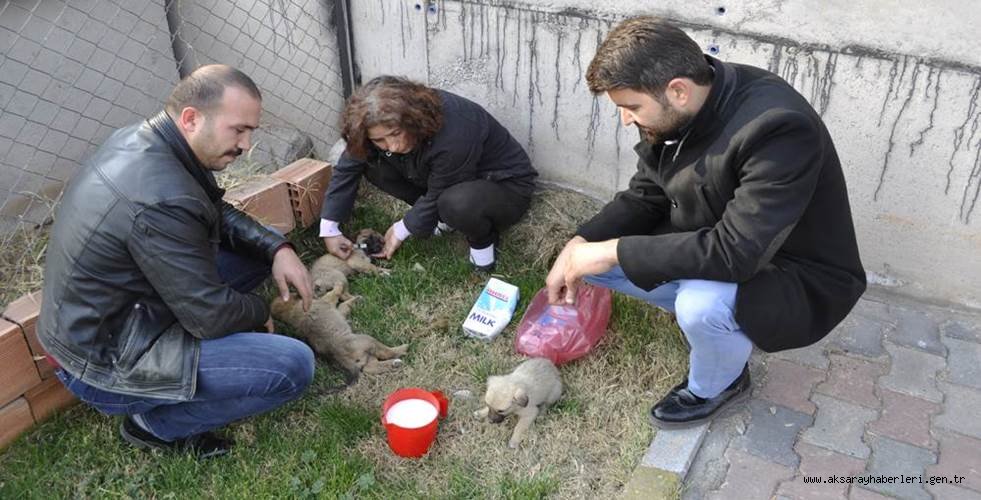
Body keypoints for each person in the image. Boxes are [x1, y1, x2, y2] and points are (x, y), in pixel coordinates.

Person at [545, 17, 866, 428]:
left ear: (677, 90)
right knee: (591, 266)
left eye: (631, 108)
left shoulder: (778, 128)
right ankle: (717, 331)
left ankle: (718, 383)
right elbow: (647, 193)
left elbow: (736, 253)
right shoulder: (679, 107)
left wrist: (610, 250)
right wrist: (580, 243)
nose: (626, 120)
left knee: (699, 306)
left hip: (792, 270)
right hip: (717, 240)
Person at [37, 65, 316, 458]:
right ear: (191, 118)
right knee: (292, 366)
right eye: (238, 130)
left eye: (251, 131)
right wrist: (257, 313)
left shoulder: (149, 141)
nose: (246, 145)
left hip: (125, 309)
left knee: (255, 255)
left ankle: (259, 271)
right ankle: (153, 426)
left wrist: (277, 248)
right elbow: (210, 317)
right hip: (106, 360)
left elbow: (214, 212)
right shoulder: (161, 199)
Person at [319, 76, 538, 272]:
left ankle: (483, 241)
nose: (392, 146)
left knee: (456, 202)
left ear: (412, 119)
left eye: (396, 133)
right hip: (449, 179)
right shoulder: (384, 135)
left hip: (505, 186)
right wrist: (330, 229)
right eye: (380, 140)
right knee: (371, 164)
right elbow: (348, 166)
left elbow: (442, 188)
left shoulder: (456, 129)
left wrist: (402, 229)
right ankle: (442, 218)